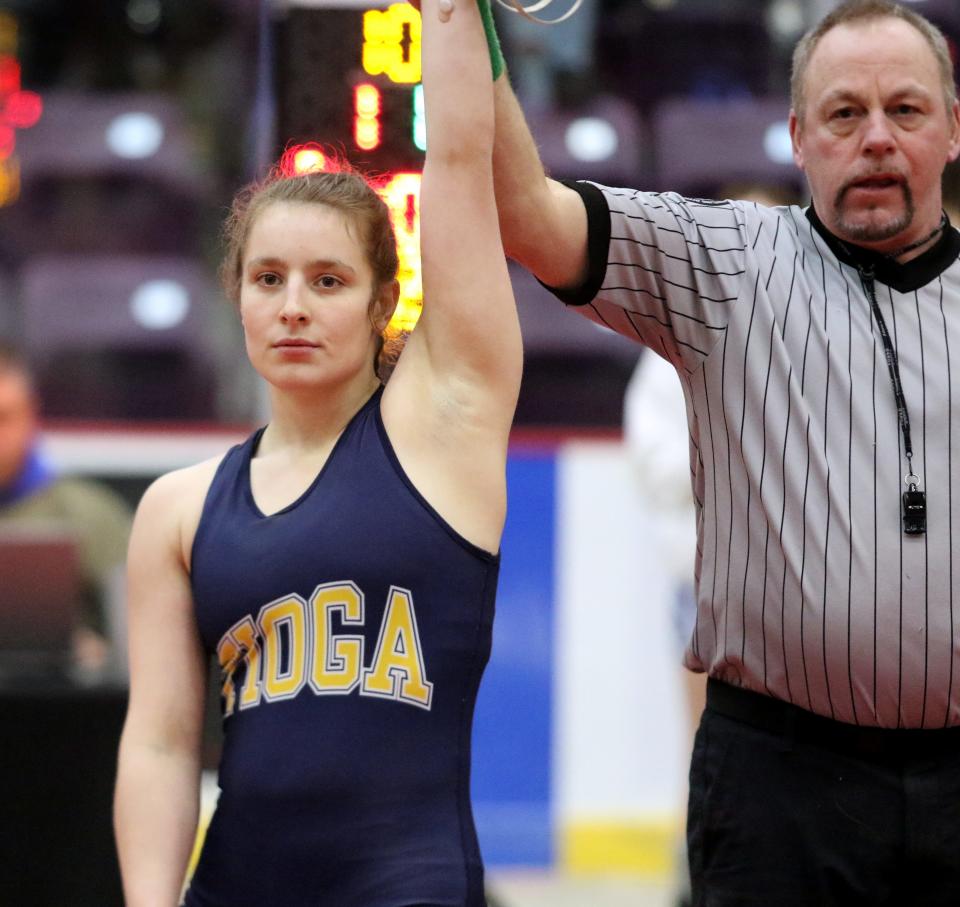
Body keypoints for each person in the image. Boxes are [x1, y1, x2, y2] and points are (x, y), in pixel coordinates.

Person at [482, 0, 960, 903]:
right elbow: (525, 213)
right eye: (844, 113)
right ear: (797, 135)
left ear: (953, 129)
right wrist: (468, 23)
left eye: (906, 110)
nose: (877, 140)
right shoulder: (724, 264)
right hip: (778, 785)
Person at [112, 1, 522, 904]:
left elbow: (457, 159)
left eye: (328, 281)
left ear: (385, 304)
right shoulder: (179, 511)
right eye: (269, 280)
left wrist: (453, 13)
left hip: (405, 881)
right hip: (237, 883)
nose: (293, 305)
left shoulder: (444, 431)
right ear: (239, 299)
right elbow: (162, 741)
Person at [0, 340, 132, 674]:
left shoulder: (91, 515)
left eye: (3, 418)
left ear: (31, 414)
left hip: (58, 713)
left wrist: (99, 656)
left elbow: (140, 642)